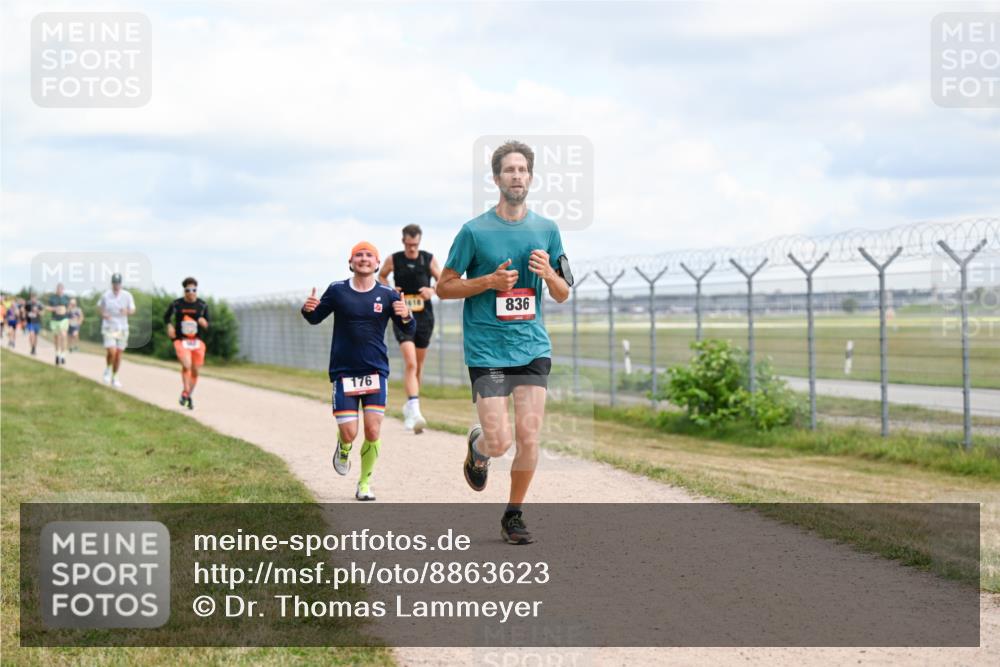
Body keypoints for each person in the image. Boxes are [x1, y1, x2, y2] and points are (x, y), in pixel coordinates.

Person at [437, 140, 572, 545]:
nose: (517, 176)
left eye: (523, 170)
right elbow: (443, 287)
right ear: (496, 179)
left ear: (531, 177)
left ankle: (513, 514)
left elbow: (564, 292)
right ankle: (478, 446)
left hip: (532, 345)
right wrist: (490, 283)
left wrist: (549, 274)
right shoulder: (473, 232)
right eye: (509, 170)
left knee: (530, 437)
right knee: (500, 442)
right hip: (486, 348)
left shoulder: (548, 231)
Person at [302, 241, 415, 501]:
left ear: (377, 264)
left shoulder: (388, 295)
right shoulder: (338, 290)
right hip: (344, 373)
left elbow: (408, 329)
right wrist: (308, 309)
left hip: (376, 371)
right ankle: (343, 446)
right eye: (358, 255)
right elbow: (315, 317)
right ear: (351, 262)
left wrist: (407, 315)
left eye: (369, 255)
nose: (364, 258)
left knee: (373, 431)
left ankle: (364, 483)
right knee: (350, 432)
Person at [378, 223, 441, 433]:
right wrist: (389, 288)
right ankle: (415, 408)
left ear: (419, 242)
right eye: (409, 244)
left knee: (419, 366)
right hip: (402, 315)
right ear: (403, 241)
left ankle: (411, 407)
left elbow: (443, 282)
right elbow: (382, 276)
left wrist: (432, 290)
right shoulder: (394, 259)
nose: (413, 248)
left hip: (425, 316)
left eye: (416, 244)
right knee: (411, 363)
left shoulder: (428, 259)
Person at [164, 277, 210, 410]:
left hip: (197, 342)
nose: (191, 292)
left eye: (193, 290)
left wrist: (204, 323)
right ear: (184, 291)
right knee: (186, 364)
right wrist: (169, 326)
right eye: (188, 290)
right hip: (181, 340)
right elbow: (166, 317)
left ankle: (187, 396)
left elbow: (208, 324)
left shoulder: (202, 305)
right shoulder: (176, 304)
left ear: (197, 290)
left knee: (195, 371)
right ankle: (185, 391)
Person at [98, 273, 136, 387]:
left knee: (118, 354)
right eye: (114, 283)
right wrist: (103, 314)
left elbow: (133, 309)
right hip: (109, 326)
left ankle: (115, 376)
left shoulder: (127, 295)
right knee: (112, 351)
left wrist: (127, 312)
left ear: (121, 284)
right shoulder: (106, 295)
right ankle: (108, 369)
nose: (116, 285)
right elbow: (100, 307)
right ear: (112, 283)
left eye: (118, 283)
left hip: (123, 328)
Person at [46, 282, 72, 365]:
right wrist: (55, 309)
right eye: (58, 289)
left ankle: (63, 355)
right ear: (56, 290)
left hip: (64, 319)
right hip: (55, 320)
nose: (59, 290)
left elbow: (69, 308)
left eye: (61, 289)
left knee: (63, 336)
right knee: (56, 338)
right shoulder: (52, 298)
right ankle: (57, 354)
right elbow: (47, 307)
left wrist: (66, 310)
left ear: (63, 290)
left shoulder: (66, 298)